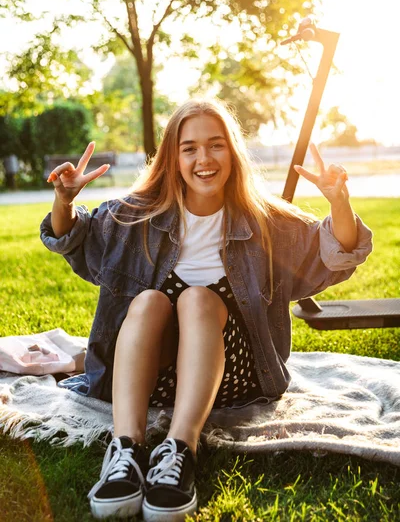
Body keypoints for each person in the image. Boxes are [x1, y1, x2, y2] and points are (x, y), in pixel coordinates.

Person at [41, 98, 372, 521]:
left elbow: (337, 251)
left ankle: (180, 451)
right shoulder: (136, 216)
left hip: (230, 380)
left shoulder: (264, 221)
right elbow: (75, 239)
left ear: (232, 153)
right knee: (148, 302)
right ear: (173, 158)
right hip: (149, 379)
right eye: (189, 148)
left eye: (215, 145)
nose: (204, 159)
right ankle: (125, 449)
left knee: (197, 299)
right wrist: (64, 201)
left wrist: (338, 201)